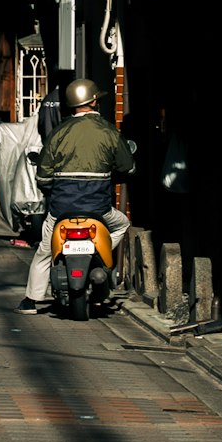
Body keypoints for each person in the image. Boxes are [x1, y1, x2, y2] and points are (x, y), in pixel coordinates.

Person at [21, 77, 132, 310]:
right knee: (122, 223)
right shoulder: (109, 131)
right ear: (93, 101)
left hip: (61, 209)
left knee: (45, 247)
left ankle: (31, 300)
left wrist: (51, 187)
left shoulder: (59, 132)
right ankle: (100, 256)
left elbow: (43, 175)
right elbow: (127, 166)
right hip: (98, 208)